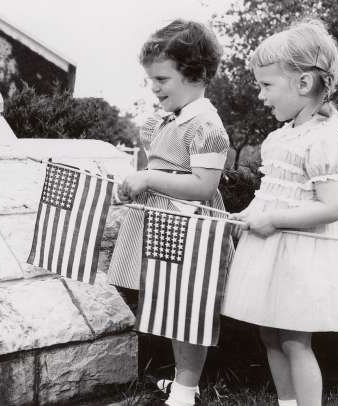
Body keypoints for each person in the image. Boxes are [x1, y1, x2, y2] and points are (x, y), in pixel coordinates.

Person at [107, 19, 231, 406]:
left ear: (194, 74)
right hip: (162, 222)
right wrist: (136, 183)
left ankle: (186, 389)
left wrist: (149, 179)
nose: (154, 88)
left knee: (187, 309)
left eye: (162, 79)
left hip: (189, 226)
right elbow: (158, 168)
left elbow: (203, 186)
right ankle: (180, 378)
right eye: (151, 80)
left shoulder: (206, 125)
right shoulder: (170, 118)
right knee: (167, 302)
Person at [222, 19, 338, 406]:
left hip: (299, 257)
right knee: (270, 334)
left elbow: (332, 207)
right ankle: (285, 402)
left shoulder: (324, 139)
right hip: (272, 252)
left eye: (267, 85)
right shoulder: (280, 138)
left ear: (304, 84)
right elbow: (272, 192)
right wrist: (248, 213)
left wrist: (272, 220)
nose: (260, 95)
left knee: (294, 339)